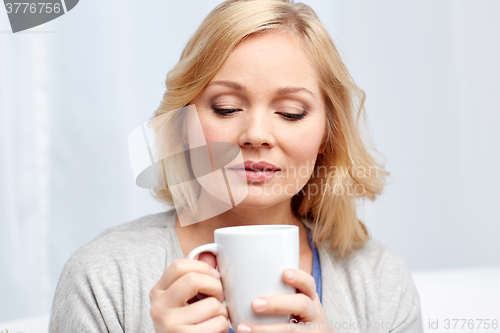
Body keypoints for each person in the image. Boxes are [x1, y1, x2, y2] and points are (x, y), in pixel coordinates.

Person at [49, 0, 423, 332]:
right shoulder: (102, 278)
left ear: (327, 133)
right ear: (182, 125)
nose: (256, 135)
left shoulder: (379, 281)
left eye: (291, 113)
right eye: (226, 108)